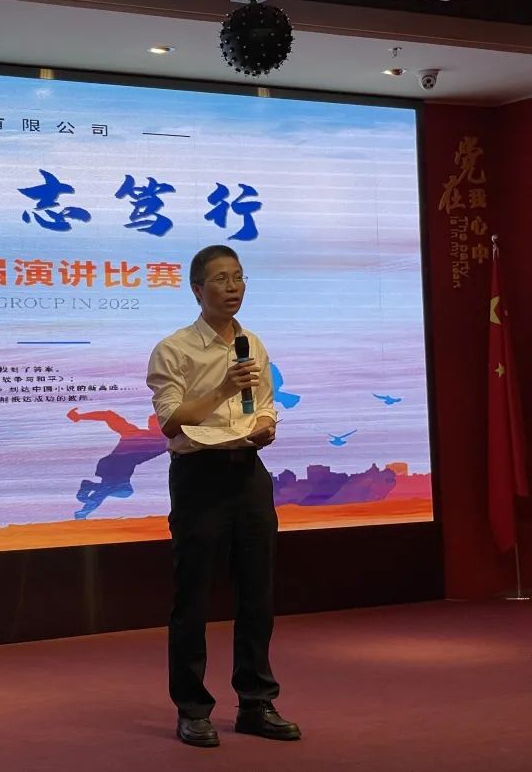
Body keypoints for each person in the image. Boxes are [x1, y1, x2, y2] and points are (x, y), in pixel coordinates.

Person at [146, 245, 300, 748]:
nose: (233, 287)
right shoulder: (174, 349)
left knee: (257, 592)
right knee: (192, 596)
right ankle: (192, 709)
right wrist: (222, 389)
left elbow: (265, 404)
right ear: (197, 289)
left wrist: (266, 425)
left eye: (239, 277)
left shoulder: (253, 343)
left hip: (248, 472)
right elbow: (171, 421)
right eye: (220, 279)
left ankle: (256, 702)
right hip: (199, 476)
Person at [66, 408, 167, 519]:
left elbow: (108, 415)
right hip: (113, 466)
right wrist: (79, 416)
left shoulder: (164, 441)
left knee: (125, 491)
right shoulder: (135, 433)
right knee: (109, 489)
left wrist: (79, 416)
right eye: (151, 423)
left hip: (121, 467)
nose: (151, 426)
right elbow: (108, 415)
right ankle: (82, 512)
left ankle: (88, 489)